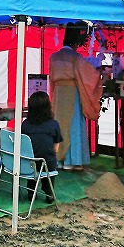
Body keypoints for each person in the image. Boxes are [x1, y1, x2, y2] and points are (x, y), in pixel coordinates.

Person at [48, 23, 102, 170]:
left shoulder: (53, 57)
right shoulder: (76, 57)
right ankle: (73, 161)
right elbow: (89, 77)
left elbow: (51, 79)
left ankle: (59, 160)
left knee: (59, 125)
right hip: (72, 93)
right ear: (76, 43)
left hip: (58, 94)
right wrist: (100, 72)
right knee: (74, 126)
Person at [21, 90, 62, 204]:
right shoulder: (54, 124)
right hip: (47, 162)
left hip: (28, 163)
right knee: (49, 159)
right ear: (48, 107)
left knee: (32, 159)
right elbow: (56, 148)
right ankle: (49, 192)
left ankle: (31, 191)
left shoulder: (25, 124)